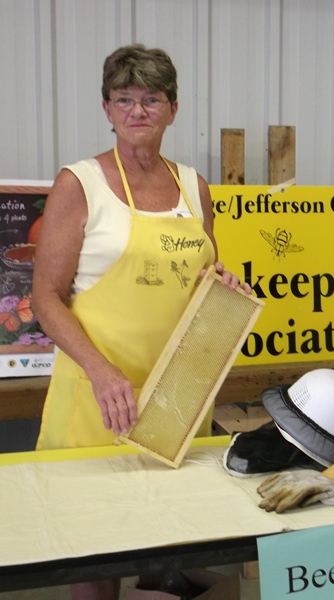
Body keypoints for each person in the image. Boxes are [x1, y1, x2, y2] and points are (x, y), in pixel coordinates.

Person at [31, 44, 250, 600]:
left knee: (168, 539)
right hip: (98, 401)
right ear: (106, 109)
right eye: (124, 99)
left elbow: (203, 276)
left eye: (151, 99)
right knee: (95, 556)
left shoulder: (194, 188)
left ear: (173, 109)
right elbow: (46, 299)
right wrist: (102, 372)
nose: (137, 111)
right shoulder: (80, 185)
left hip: (177, 398)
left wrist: (222, 289)